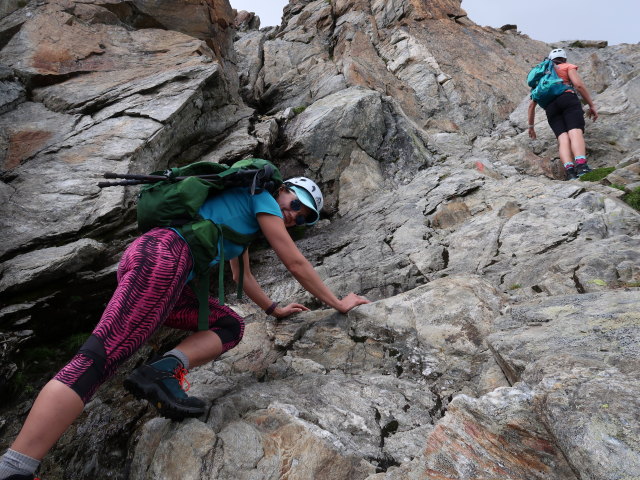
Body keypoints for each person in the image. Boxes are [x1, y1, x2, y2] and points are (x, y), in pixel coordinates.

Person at [0, 176, 370, 480]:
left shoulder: (240, 223)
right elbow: (294, 262)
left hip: (159, 263)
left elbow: (242, 275)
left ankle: (162, 370)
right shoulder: (262, 199)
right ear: (281, 191)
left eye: (304, 217)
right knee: (98, 359)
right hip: (165, 258)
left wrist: (273, 308)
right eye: (295, 203)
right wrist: (338, 303)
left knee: (228, 324)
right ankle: (15, 468)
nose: (293, 215)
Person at [528, 48, 599, 180]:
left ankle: (570, 171)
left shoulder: (542, 76)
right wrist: (591, 105)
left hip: (550, 108)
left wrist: (531, 126)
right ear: (564, 59)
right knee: (575, 131)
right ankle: (581, 166)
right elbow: (578, 85)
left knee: (562, 138)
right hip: (567, 99)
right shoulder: (567, 66)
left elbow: (532, 105)